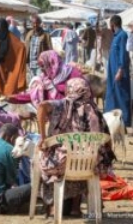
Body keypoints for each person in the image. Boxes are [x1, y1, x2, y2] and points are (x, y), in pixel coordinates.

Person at [37, 78, 116, 217]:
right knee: (84, 161)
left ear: (69, 90)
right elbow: (107, 142)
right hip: (89, 166)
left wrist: (43, 137)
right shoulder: (95, 112)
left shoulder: (61, 105)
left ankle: (53, 206)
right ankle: (75, 207)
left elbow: (42, 106)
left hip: (60, 165)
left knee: (46, 157)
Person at [8, 50, 83, 107]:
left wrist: (62, 88)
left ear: (52, 62)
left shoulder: (71, 72)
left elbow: (83, 90)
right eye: (40, 66)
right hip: (55, 118)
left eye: (43, 65)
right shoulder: (44, 80)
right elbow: (32, 95)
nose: (41, 69)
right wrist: (13, 98)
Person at [105, 15, 131, 127]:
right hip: (112, 72)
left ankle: (125, 122)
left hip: (119, 72)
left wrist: (120, 70)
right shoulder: (115, 36)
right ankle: (112, 121)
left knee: (122, 96)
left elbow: (123, 55)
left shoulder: (123, 35)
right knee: (112, 95)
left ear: (112, 24)